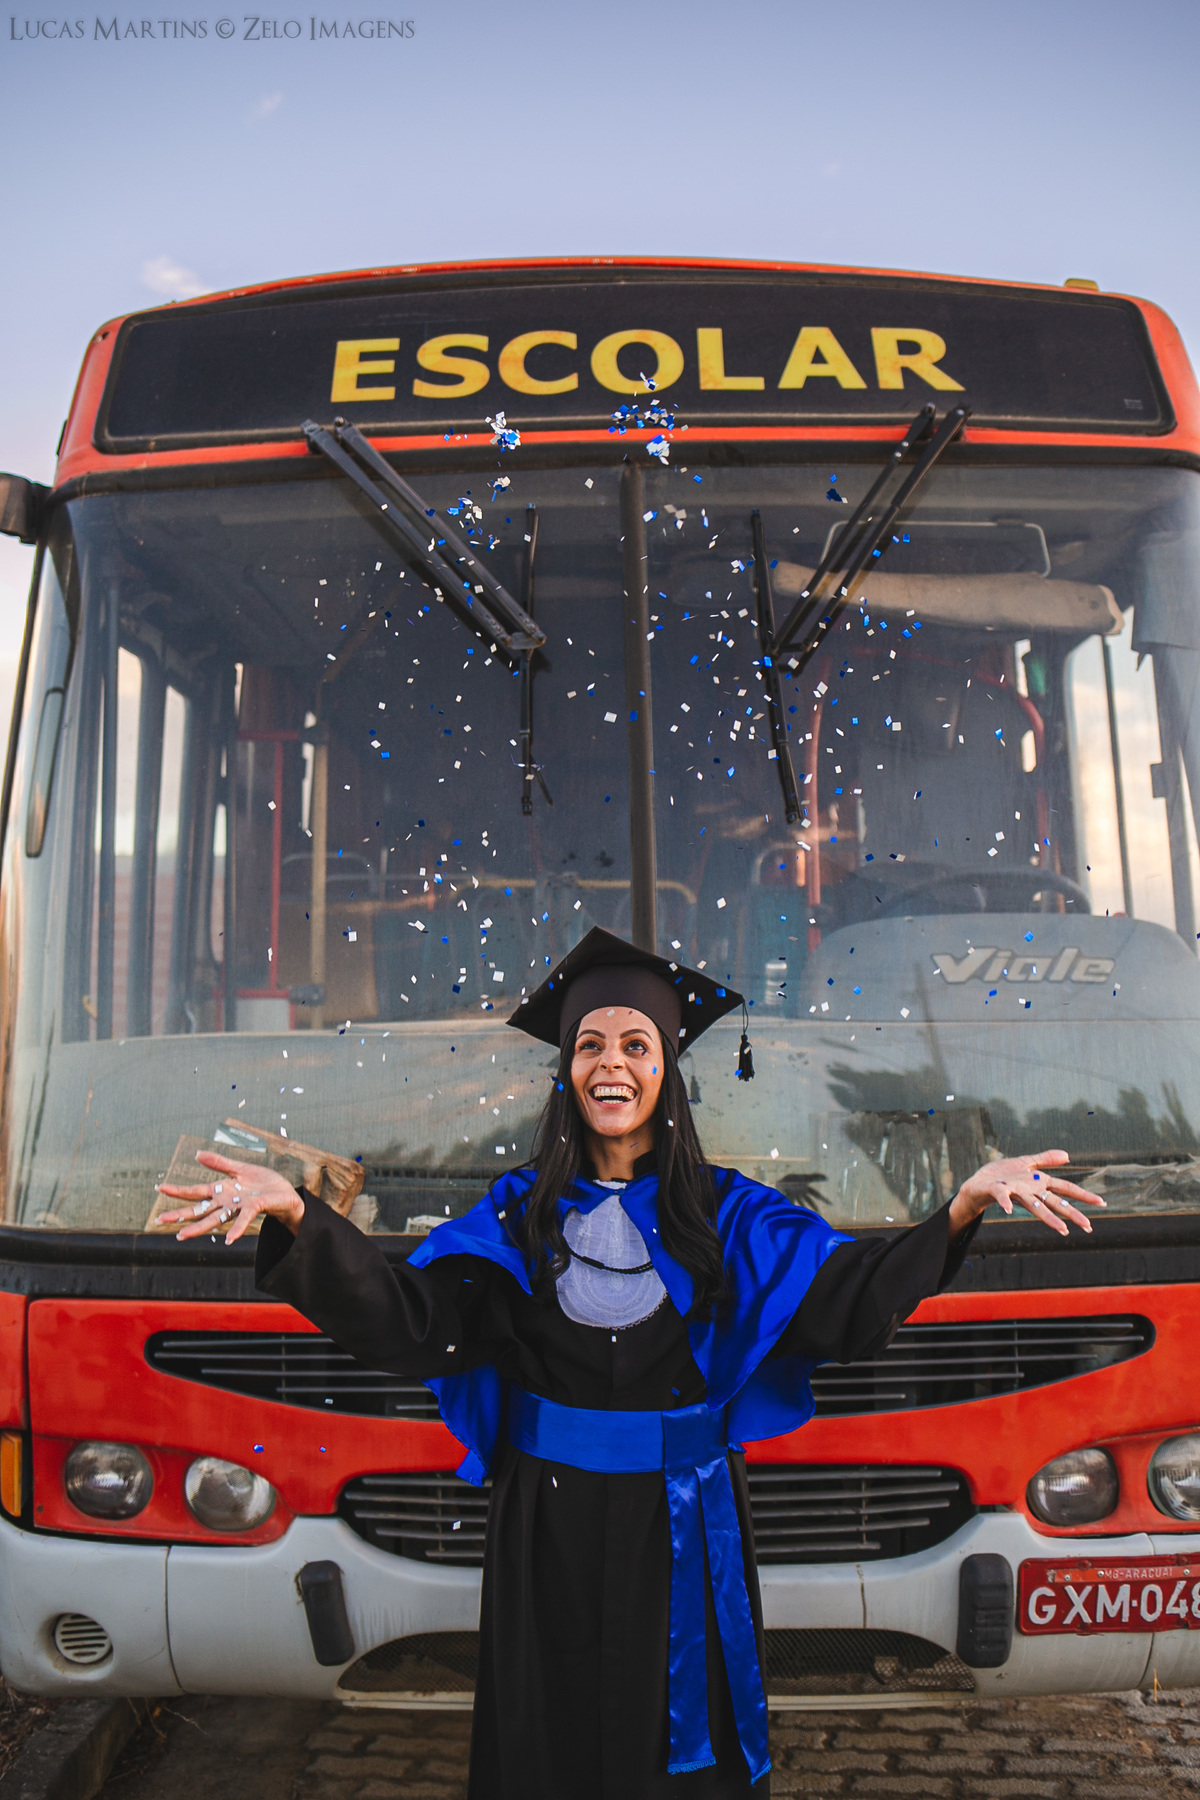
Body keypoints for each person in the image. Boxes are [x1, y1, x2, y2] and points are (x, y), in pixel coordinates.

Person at [157, 928, 1103, 1799]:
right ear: (567, 1071)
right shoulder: (519, 1214)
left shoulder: (730, 1214)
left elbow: (841, 1300)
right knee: (552, 1744)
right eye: (591, 1046)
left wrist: (958, 1213)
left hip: (685, 1523)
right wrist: (298, 1218)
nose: (613, 1064)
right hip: (547, 1527)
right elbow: (417, 1316)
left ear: (667, 1070)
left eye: (636, 1045)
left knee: (678, 1749)